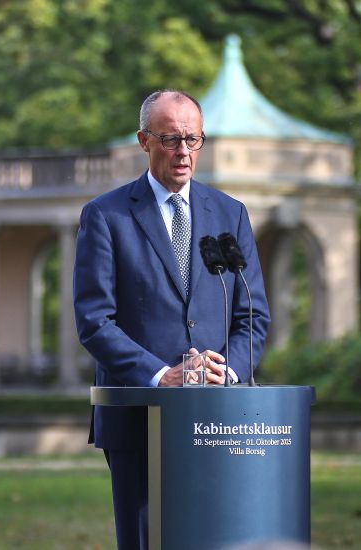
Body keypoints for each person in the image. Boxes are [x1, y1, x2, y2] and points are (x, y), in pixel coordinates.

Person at [73, 89, 270, 549]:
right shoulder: (106, 215)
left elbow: (253, 314)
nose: (183, 151)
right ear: (144, 141)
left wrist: (229, 370)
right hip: (137, 416)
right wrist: (160, 376)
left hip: (217, 415)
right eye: (170, 139)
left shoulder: (230, 214)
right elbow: (94, 320)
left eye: (193, 139)